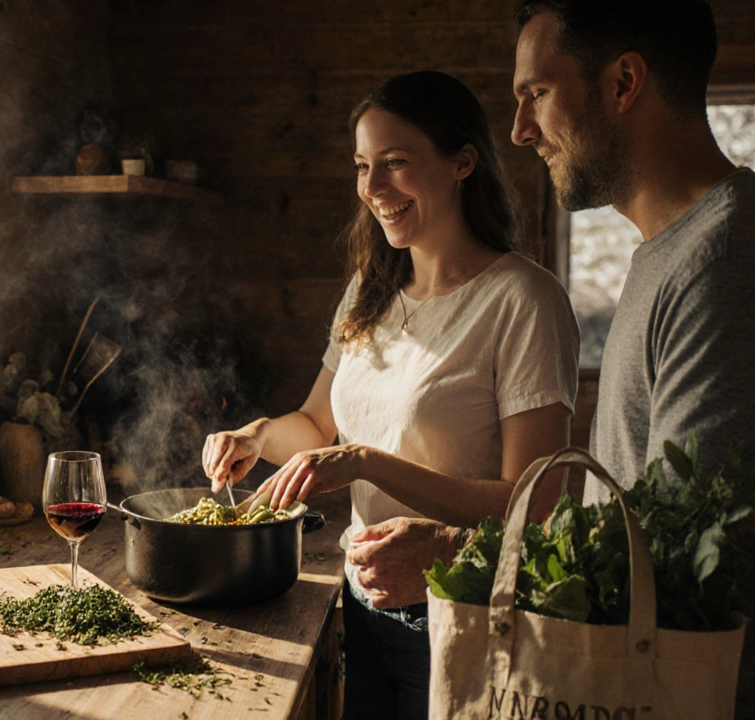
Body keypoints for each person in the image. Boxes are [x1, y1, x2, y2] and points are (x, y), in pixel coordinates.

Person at [510, 1, 755, 718]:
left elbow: (683, 562)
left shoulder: (739, 263)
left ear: (624, 82)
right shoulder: (671, 252)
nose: (520, 131)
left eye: (536, 95)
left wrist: (483, 577)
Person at [201, 70, 579, 720]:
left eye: (396, 163)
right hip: (363, 602)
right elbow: (317, 427)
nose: (373, 189)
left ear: (463, 162)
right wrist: (257, 435)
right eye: (362, 166)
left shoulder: (523, 300)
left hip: (462, 615)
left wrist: (366, 462)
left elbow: (537, 501)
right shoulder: (368, 292)